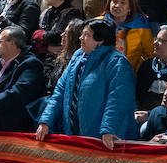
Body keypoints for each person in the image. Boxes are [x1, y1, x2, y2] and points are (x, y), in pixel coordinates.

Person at [36, 19, 136, 148]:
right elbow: (60, 92)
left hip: (104, 138)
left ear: (100, 40)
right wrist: (46, 121)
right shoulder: (78, 56)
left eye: (86, 35)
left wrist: (108, 129)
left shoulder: (117, 63)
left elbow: (117, 100)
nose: (81, 38)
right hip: (73, 132)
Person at [0, 26, 44, 132]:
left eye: (0, 41)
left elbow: (18, 92)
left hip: (9, 126)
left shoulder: (31, 64)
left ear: (13, 43)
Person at [135, 24, 167, 112]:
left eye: (161, 41)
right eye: (156, 39)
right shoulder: (147, 65)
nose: (154, 43)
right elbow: (137, 95)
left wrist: (150, 115)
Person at [104, 0, 153, 71]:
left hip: (128, 75)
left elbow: (150, 56)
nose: (117, 5)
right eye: (115, 1)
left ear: (130, 8)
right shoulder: (98, 24)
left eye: (123, 3)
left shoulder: (141, 28)